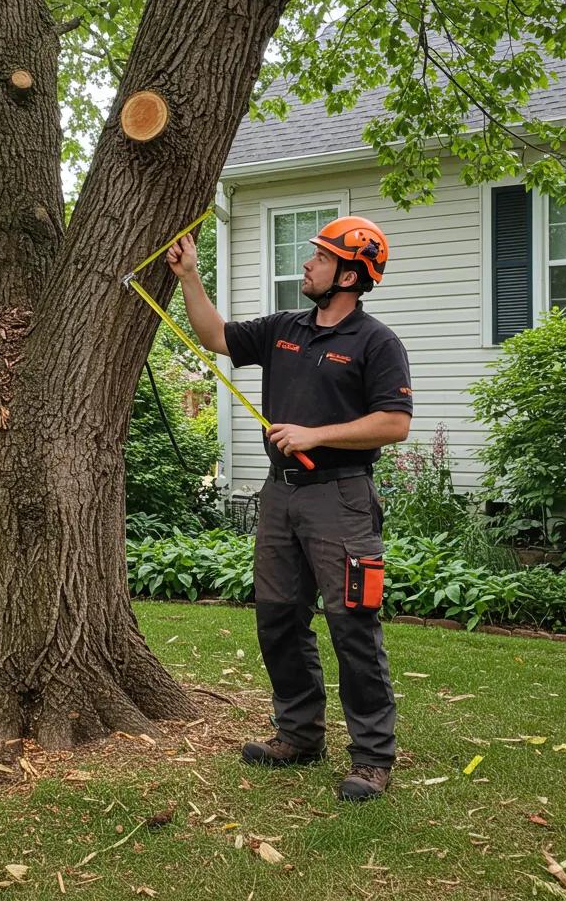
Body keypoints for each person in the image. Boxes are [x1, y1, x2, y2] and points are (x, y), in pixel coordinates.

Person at [167, 215, 412, 802]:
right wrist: (190, 278)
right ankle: (299, 735)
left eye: (321, 257)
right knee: (278, 618)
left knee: (353, 625)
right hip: (280, 497)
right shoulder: (285, 328)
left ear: (349, 274)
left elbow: (395, 423)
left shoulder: (376, 342)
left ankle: (373, 757)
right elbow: (216, 337)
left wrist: (314, 435)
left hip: (342, 498)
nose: (308, 263)